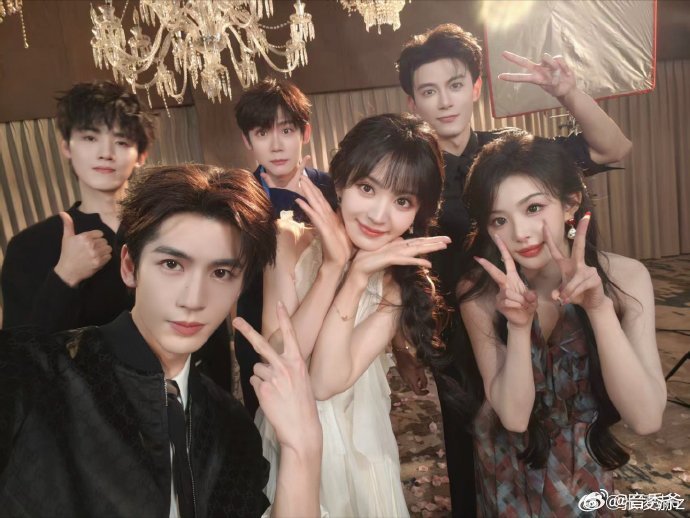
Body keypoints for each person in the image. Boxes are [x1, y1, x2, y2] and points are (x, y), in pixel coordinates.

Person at [396, 23, 633, 515]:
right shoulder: (412, 175)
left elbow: (614, 149)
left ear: (476, 87)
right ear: (413, 103)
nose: (445, 101)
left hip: (535, 316)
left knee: (554, 430)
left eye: (455, 84)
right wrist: (405, 344)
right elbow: (398, 258)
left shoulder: (510, 153)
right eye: (429, 91)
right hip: (458, 329)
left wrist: (568, 93)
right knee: (473, 447)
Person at [0, 164, 323, 517]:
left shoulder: (231, 427)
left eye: (220, 273)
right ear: (130, 267)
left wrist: (302, 448)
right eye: (172, 264)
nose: (193, 299)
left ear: (240, 287)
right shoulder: (35, 375)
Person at [454, 133, 665, 516]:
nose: (519, 233)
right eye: (499, 220)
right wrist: (519, 327)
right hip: (507, 472)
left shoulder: (626, 279)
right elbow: (514, 417)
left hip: (584, 472)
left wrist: (599, 309)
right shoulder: (481, 291)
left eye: (533, 208)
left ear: (570, 203)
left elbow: (647, 418)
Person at [256, 113, 450, 517]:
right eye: (367, 188)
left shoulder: (395, 284)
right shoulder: (286, 239)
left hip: (361, 436)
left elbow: (324, 382)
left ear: (417, 213)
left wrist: (357, 277)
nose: (379, 215)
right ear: (341, 182)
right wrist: (332, 267)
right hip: (287, 428)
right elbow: (278, 360)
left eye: (402, 201)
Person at [0, 81, 234, 394]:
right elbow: (17, 362)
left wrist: (221, 402)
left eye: (121, 141)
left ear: (141, 154)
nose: (106, 153)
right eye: (90, 138)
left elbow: (209, 326)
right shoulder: (30, 245)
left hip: (179, 399)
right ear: (67, 146)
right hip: (83, 410)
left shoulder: (173, 227)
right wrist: (64, 278)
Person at [233, 77, 338, 416]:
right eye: (263, 133)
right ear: (247, 140)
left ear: (305, 133)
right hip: (260, 328)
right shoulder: (238, 197)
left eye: (287, 130)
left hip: (325, 325)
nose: (276, 145)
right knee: (270, 423)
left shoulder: (331, 189)